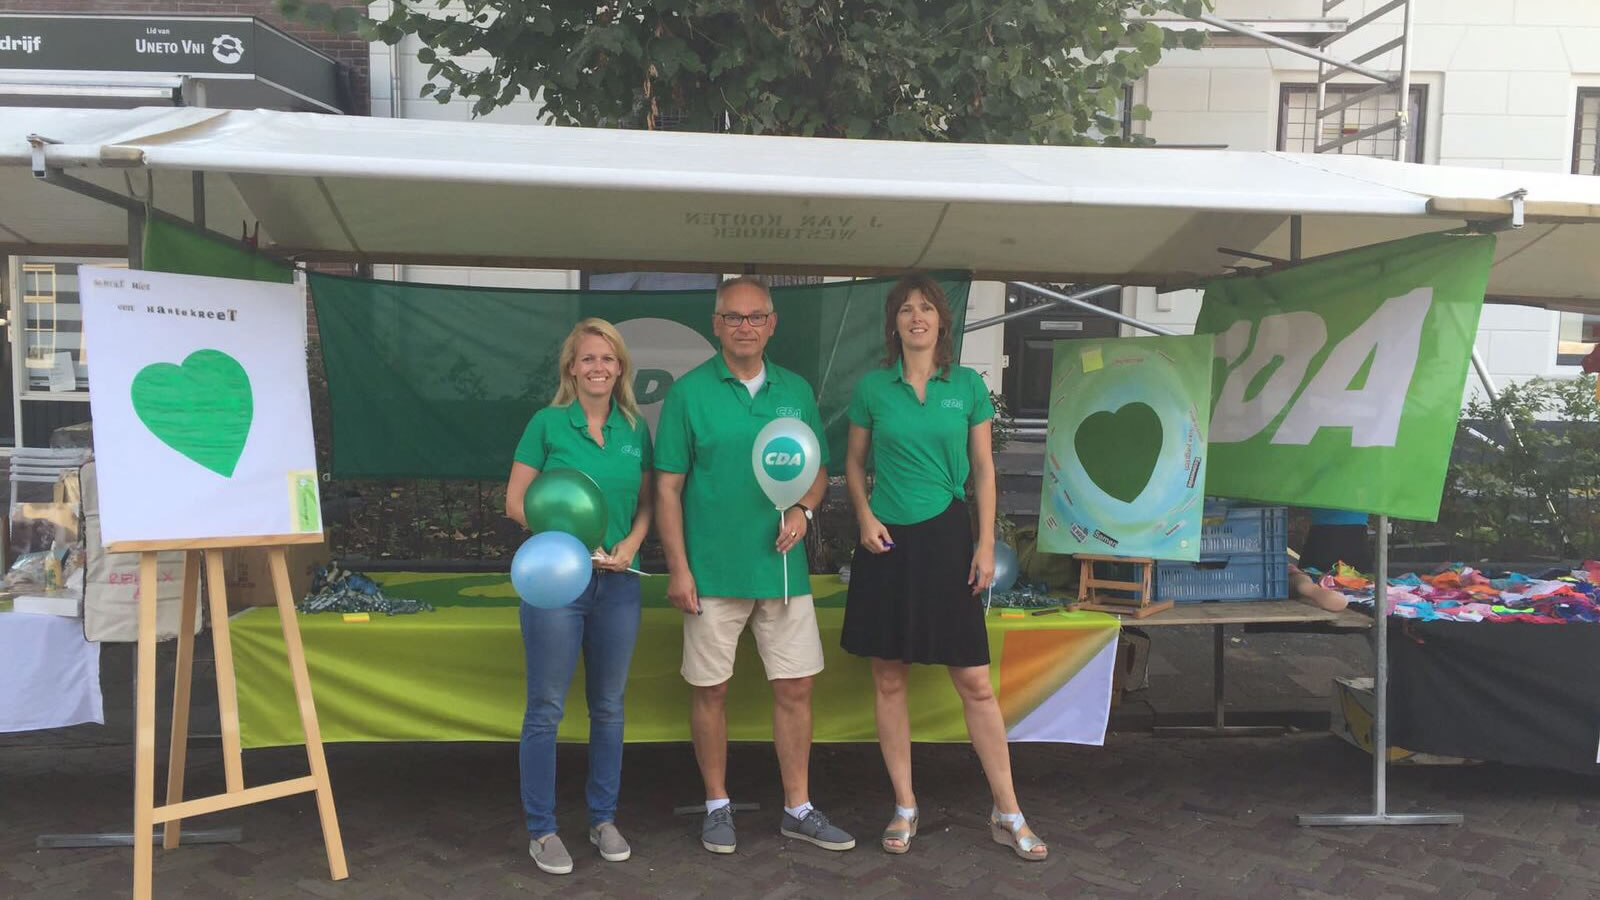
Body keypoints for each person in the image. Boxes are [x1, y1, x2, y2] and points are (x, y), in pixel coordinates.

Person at [840, 273, 1048, 861]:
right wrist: (861, 514)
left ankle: (1007, 811)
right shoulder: (872, 389)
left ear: (942, 321)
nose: (916, 317)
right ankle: (905, 806)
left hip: (949, 538)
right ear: (895, 324)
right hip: (887, 542)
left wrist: (984, 544)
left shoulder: (968, 388)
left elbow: (983, 471)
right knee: (889, 677)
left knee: (976, 683)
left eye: (926, 308)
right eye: (905, 309)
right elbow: (853, 466)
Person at [654, 276, 857, 855]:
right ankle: (717, 806)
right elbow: (667, 489)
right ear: (716, 325)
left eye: (755, 316)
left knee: (795, 689)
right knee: (711, 691)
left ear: (772, 324)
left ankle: (798, 806)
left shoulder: (795, 389)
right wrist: (679, 568)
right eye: (733, 317)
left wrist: (805, 508)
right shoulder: (689, 393)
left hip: (784, 575)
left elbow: (817, 470)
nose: (745, 326)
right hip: (713, 573)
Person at [505, 318, 654, 875]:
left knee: (610, 708)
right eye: (587, 359)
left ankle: (603, 818)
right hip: (555, 584)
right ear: (572, 368)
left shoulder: (634, 428)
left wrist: (633, 543)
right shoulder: (547, 424)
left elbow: (645, 505)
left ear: (621, 369)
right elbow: (516, 502)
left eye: (608, 359)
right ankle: (542, 830)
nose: (598, 368)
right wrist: (567, 543)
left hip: (619, 581)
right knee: (545, 709)